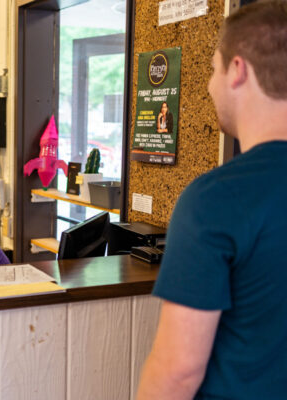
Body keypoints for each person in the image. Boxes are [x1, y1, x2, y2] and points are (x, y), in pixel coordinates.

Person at [137, 1, 287, 399]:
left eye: (212, 68)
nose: (208, 84)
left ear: (237, 70)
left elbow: (178, 371)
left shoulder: (216, 200)